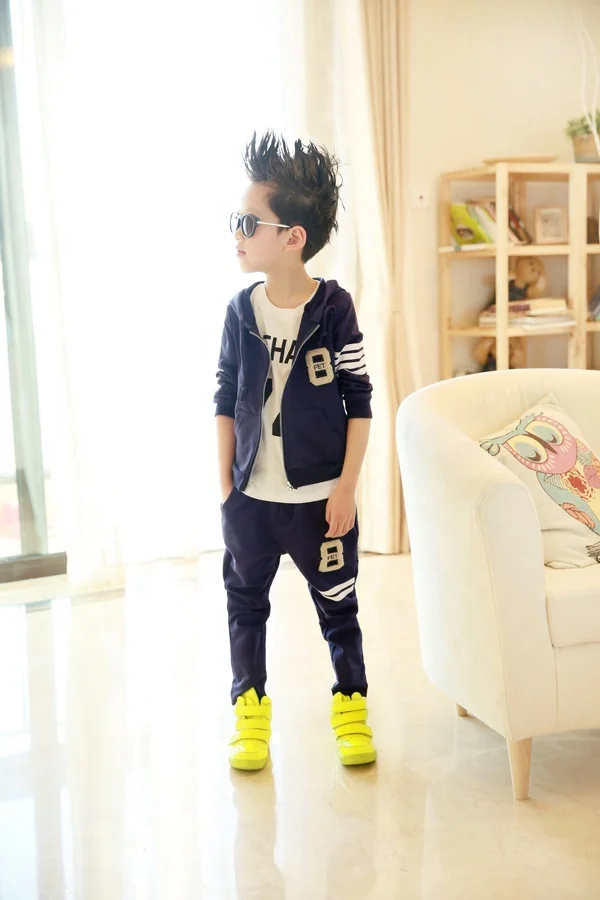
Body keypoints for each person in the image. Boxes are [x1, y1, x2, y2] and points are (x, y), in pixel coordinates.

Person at [214, 131, 376, 772]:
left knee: (339, 609)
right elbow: (224, 397)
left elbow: (359, 402)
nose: (237, 234)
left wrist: (346, 489)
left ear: (292, 237)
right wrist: (226, 488)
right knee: (245, 607)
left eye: (247, 223)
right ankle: (249, 713)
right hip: (251, 499)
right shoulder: (240, 311)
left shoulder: (334, 309)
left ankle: (352, 709)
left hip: (319, 502)